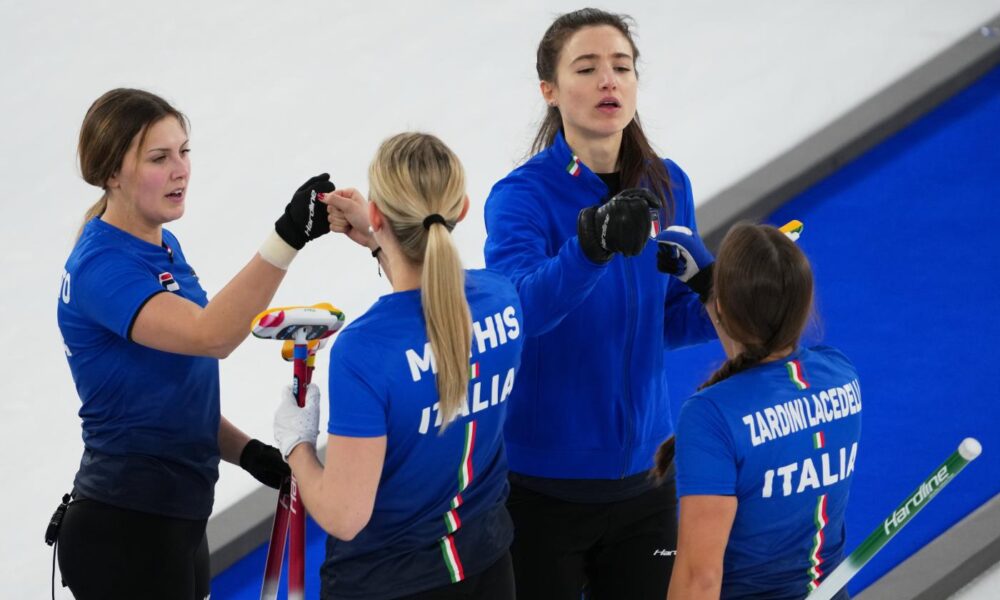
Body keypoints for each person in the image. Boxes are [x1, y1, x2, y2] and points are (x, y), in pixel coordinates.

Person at [55, 88, 335, 600]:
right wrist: (288, 235)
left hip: (175, 521)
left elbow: (170, 394)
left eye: (184, 152)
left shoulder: (159, 244)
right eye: (160, 158)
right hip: (126, 531)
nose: (181, 169)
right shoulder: (102, 267)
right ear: (111, 173)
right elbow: (213, 336)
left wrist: (245, 451)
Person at [481, 8, 717, 599]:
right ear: (551, 92)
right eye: (586, 68)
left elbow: (665, 322)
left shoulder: (669, 185)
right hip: (542, 488)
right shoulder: (520, 199)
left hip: (648, 480)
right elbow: (519, 315)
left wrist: (721, 292)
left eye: (621, 66)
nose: (609, 81)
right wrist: (590, 247)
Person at [273, 132, 524, 599]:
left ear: (376, 213)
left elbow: (346, 516)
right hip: (487, 566)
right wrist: (378, 241)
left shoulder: (365, 351)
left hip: (386, 583)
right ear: (463, 208)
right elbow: (436, 311)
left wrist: (297, 445)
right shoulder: (503, 300)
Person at [657, 223, 861, 600]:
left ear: (724, 308)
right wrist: (710, 290)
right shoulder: (841, 375)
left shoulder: (711, 416)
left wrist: (712, 293)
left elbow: (699, 579)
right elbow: (757, 351)